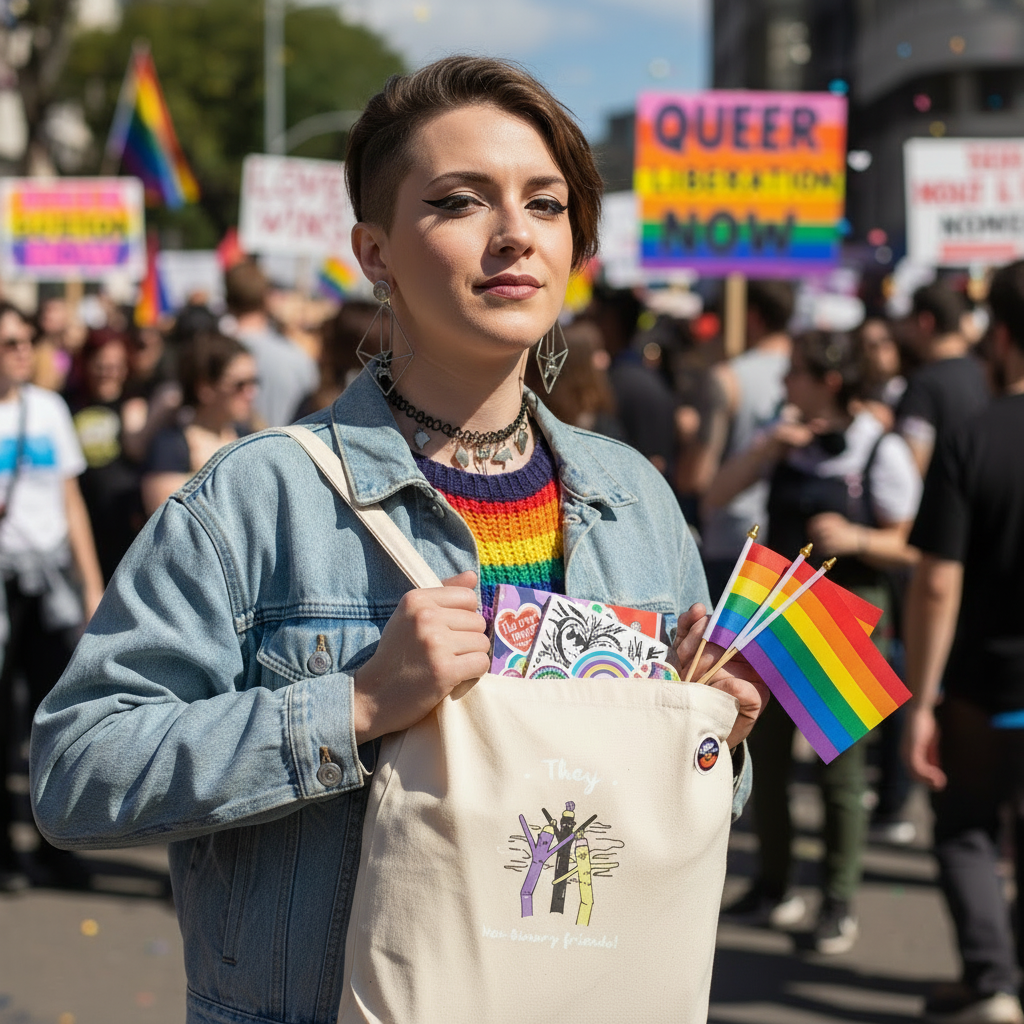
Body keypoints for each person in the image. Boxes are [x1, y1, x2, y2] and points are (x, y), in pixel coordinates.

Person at [29, 57, 767, 1024]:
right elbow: (78, 770)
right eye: (461, 201)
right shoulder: (260, 497)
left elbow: (658, 811)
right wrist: (357, 705)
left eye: (545, 204)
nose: (515, 236)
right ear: (374, 252)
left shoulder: (634, 498)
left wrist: (710, 738)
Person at [707, 329, 921, 955]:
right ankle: (774, 886)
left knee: (839, 772)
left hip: (843, 614)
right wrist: (767, 449)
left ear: (829, 380)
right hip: (775, 607)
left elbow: (913, 542)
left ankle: (837, 901)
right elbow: (716, 496)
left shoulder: (880, 446)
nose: (784, 383)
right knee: (762, 757)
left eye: (795, 371)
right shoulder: (782, 434)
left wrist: (858, 540)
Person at [902, 262, 1024, 1024]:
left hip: (985, 684)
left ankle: (991, 981)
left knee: (967, 829)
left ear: (1001, 337)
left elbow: (938, 581)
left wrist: (924, 696)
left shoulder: (973, 436)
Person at [0, 302, 104, 892]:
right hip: (3, 585)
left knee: (54, 718)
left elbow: (70, 501)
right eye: (9, 341)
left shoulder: (48, 408)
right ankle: (6, 854)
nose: (21, 349)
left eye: (25, 339)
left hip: (51, 589)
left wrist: (91, 585)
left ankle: (57, 843)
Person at [698, 279, 794, 602]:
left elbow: (698, 474)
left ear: (751, 317)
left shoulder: (728, 377)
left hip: (733, 540)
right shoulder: (811, 372)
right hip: (788, 541)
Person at [141, 332, 258, 516]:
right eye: (240, 384)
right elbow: (167, 525)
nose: (251, 393)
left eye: (254, 382)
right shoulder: (170, 446)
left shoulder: (248, 437)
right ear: (205, 387)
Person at [64, 328, 147, 583]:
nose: (107, 372)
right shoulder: (68, 404)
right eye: (101, 364)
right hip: (82, 518)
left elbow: (139, 452)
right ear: (87, 363)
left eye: (115, 365)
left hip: (124, 522)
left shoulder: (134, 406)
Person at [896, 282, 989, 477]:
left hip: (944, 502)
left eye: (908, 322)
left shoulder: (924, 385)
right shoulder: (987, 373)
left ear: (925, 322)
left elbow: (912, 469)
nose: (905, 331)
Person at [224, 261, 319, 427]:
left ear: (227, 299)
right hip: (287, 448)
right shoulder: (298, 358)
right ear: (265, 298)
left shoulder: (210, 353)